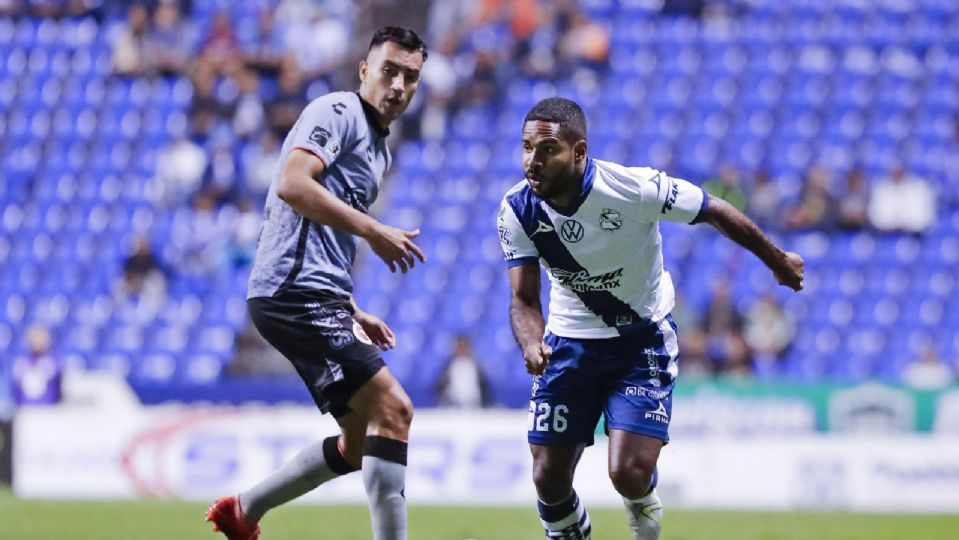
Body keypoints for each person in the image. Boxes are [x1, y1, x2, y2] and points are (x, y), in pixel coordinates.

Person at [497, 97, 803, 540]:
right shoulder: (516, 209)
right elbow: (523, 299)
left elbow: (713, 209)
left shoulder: (632, 189)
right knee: (547, 477)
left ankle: (642, 499)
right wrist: (529, 342)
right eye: (526, 148)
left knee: (628, 471)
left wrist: (775, 260)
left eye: (547, 150)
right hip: (569, 342)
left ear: (579, 152)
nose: (532, 161)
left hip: (640, 341)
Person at [205, 27, 428, 540]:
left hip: (317, 294)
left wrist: (350, 307)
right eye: (389, 71)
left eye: (409, 77)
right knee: (395, 409)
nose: (397, 85)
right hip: (292, 292)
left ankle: (245, 510)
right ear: (364, 71)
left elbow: (319, 232)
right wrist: (373, 229)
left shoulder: (378, 150)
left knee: (357, 441)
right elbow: (291, 184)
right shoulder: (337, 112)